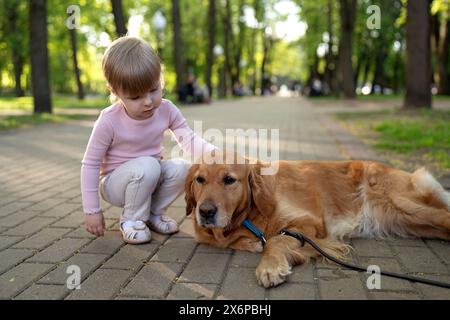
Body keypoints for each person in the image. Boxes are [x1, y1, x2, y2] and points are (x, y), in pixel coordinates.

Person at [81, 36, 216, 244]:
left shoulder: (166, 109)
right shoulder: (109, 120)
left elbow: (188, 139)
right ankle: (131, 220)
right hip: (115, 184)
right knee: (149, 166)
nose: (147, 102)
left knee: (184, 169)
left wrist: (215, 155)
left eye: (154, 90)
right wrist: (92, 210)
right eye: (135, 97)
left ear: (160, 78)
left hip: (149, 175)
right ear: (115, 92)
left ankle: (154, 213)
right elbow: (90, 164)